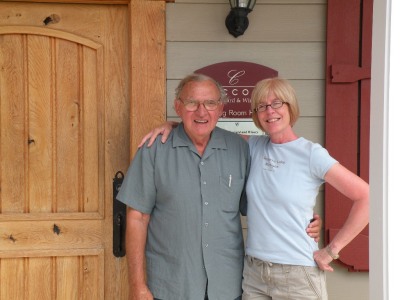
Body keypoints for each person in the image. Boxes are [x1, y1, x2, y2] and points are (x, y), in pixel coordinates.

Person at [141, 77, 369, 300]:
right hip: (254, 274)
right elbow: (202, 129)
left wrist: (331, 250)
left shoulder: (311, 154)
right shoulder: (252, 147)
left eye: (277, 103)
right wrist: (172, 126)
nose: (270, 111)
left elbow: (366, 197)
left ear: (291, 107)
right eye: (262, 106)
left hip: (297, 272)